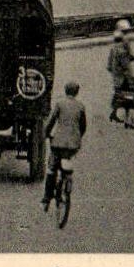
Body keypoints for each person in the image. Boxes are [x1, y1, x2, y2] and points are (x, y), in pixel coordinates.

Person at [41, 81, 87, 211]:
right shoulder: (81, 106)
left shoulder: (60, 104)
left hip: (58, 143)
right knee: (66, 165)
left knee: (51, 169)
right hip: (73, 145)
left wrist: (46, 134)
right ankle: (66, 182)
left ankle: (46, 198)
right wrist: (77, 138)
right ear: (77, 92)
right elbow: (83, 127)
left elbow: (51, 122)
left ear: (65, 91)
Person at [107, 20, 134, 127]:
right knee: (132, 94)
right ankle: (128, 120)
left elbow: (109, 64)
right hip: (123, 77)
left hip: (117, 76)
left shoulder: (115, 47)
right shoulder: (121, 49)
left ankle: (114, 114)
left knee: (120, 94)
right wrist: (130, 79)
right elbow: (125, 65)